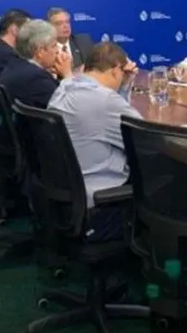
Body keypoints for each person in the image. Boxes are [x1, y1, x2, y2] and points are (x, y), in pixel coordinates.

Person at [48, 42, 139, 242]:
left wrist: (122, 87)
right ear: (116, 70)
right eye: (123, 73)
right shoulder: (105, 100)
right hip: (99, 200)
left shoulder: (64, 87)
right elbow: (143, 139)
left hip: (67, 192)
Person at [0, 18, 74, 108]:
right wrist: (67, 74)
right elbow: (72, 107)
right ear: (40, 52)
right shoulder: (37, 78)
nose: (57, 51)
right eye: (54, 46)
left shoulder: (14, 64)